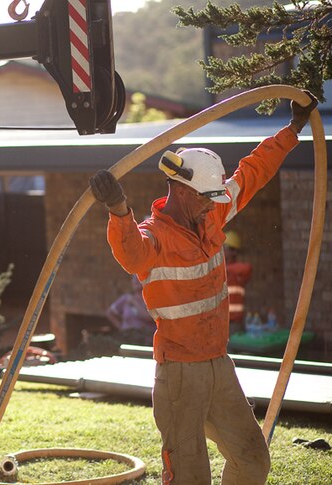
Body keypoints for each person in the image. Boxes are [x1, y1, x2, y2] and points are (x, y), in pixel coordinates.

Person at [89, 93, 317, 484]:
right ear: (180, 190)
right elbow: (130, 253)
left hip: (218, 365)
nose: (215, 205)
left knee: (252, 459)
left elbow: (252, 172)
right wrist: (118, 210)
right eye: (206, 197)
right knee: (190, 475)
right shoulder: (154, 238)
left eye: (216, 197)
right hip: (180, 376)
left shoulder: (211, 210)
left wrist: (293, 129)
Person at [106, 274, 155, 346]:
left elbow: (148, 317)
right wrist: (121, 328)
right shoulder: (126, 298)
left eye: (138, 279)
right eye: (134, 280)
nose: (135, 281)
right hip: (128, 339)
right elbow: (110, 313)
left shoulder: (151, 299)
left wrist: (134, 303)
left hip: (146, 341)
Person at [224, 230, 252, 336]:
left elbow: (247, 269)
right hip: (220, 321)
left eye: (224, 248)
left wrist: (224, 269)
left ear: (233, 252)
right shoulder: (220, 269)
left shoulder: (238, 271)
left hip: (234, 323)